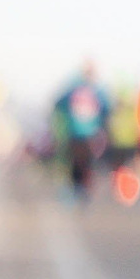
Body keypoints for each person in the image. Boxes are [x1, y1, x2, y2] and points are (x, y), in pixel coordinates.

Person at [51, 64, 109, 204]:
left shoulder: (74, 90)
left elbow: (58, 103)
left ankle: (79, 191)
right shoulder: (96, 91)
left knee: (79, 164)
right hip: (86, 134)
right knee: (83, 164)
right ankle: (81, 191)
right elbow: (106, 109)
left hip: (79, 134)